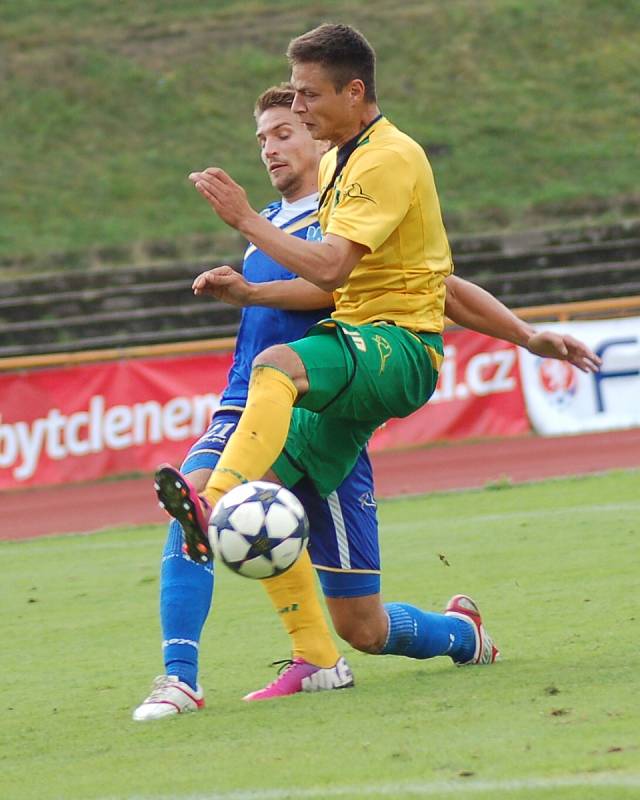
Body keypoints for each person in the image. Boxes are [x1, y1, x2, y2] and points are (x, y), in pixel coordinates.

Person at [144, 50, 600, 716]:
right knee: (209, 502)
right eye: (266, 132)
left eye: (293, 119)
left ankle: (454, 634)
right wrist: (247, 288)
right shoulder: (307, 201)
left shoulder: (356, 193)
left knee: (364, 624)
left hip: (341, 388)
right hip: (264, 400)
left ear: (333, 113)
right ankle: (194, 673)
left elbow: (415, 284)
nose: (281, 135)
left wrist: (524, 335)